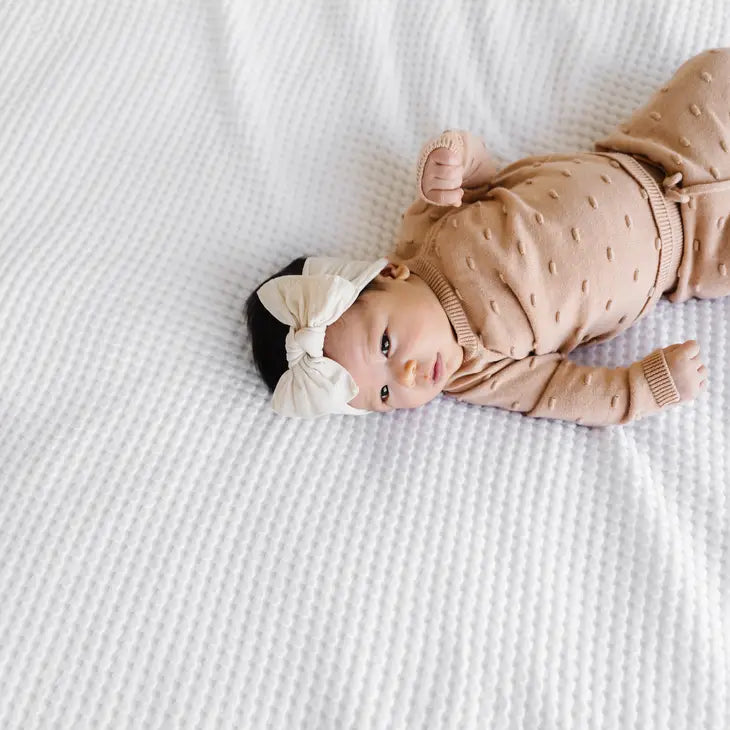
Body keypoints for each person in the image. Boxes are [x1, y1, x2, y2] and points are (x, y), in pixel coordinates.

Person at [244, 48, 730, 426]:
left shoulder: (424, 233)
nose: (408, 375)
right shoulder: (480, 374)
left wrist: (452, 158)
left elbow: (482, 176)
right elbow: (560, 392)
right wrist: (645, 388)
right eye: (387, 395)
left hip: (651, 150)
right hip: (694, 254)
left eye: (387, 346)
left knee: (714, 74)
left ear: (389, 273)